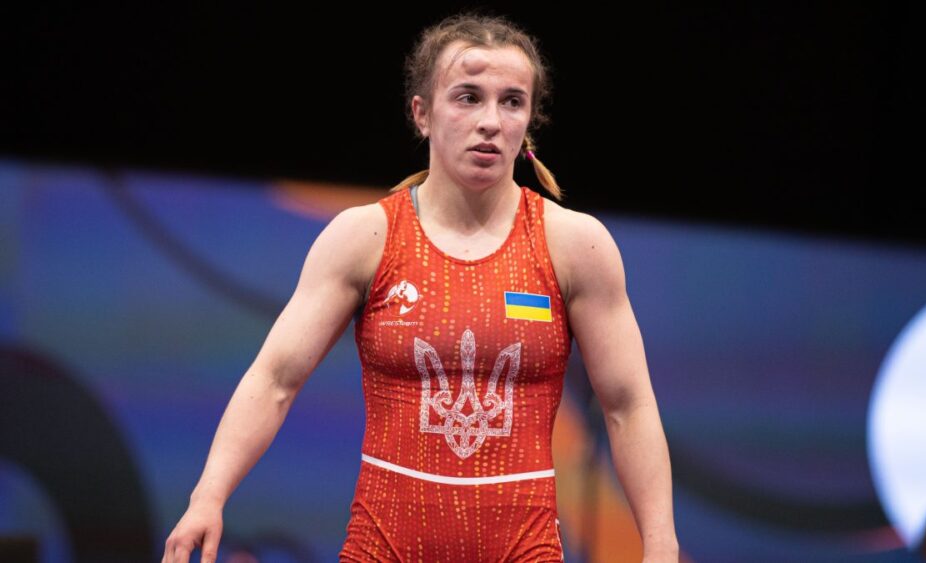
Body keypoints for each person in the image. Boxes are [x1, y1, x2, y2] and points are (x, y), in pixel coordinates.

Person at [162, 11, 678, 563]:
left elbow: (627, 406)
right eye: (468, 97)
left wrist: (661, 544)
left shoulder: (575, 245)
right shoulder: (365, 238)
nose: (490, 121)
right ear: (422, 113)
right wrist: (207, 497)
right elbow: (274, 381)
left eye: (511, 102)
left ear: (529, 119)